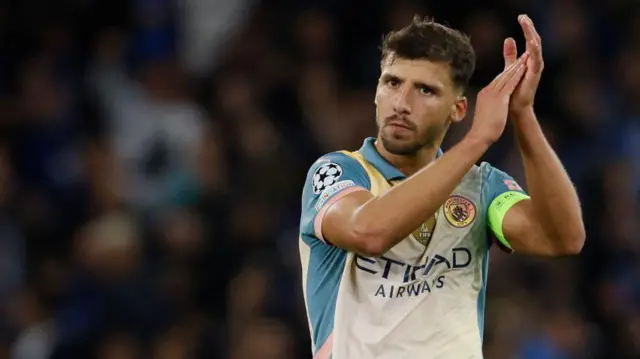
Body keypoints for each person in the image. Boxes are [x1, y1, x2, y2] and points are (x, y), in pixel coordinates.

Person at [298, 14, 585, 359]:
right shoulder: (337, 172)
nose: (402, 103)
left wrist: (522, 113)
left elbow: (562, 238)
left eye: (425, 90)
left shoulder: (481, 187)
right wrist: (477, 139)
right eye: (392, 83)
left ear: (458, 109)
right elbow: (368, 233)